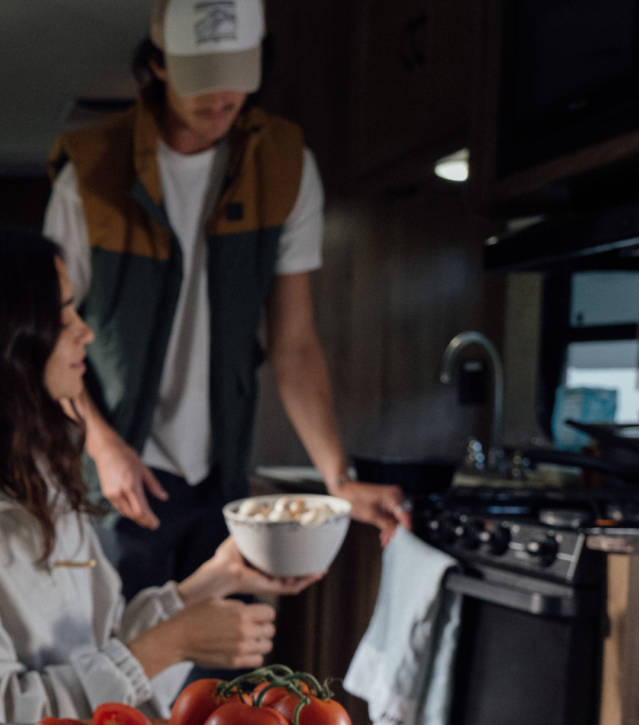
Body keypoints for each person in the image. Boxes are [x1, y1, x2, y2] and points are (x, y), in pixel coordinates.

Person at [0, 222, 322, 723]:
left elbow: (104, 644)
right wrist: (171, 646)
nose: (84, 331)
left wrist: (214, 580)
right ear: (3, 340)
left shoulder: (38, 468)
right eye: (63, 317)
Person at [44, 0, 410, 599]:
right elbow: (48, 331)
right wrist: (102, 444)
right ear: (158, 66)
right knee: (119, 659)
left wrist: (337, 479)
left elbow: (294, 345)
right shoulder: (88, 176)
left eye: (236, 79)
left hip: (222, 480)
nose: (220, 99)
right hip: (118, 476)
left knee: (211, 666)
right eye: (201, 82)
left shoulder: (286, 167)